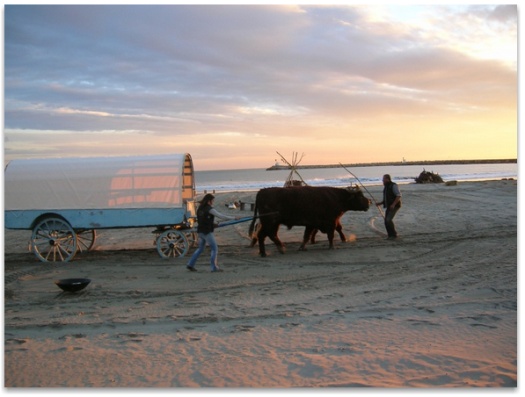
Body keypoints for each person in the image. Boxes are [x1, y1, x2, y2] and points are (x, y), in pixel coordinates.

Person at [187, 193, 239, 272]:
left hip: (200, 231)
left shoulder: (200, 208)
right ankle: (214, 267)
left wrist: (213, 224)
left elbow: (203, 219)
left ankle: (190, 264)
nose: (213, 202)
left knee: (200, 248)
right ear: (209, 201)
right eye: (212, 201)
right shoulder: (209, 209)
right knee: (214, 249)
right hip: (207, 232)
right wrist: (234, 218)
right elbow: (222, 216)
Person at [376, 174, 402, 239]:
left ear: (387, 179)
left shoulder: (393, 185)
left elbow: (398, 195)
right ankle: (390, 235)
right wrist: (380, 203)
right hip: (389, 206)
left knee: (388, 220)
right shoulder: (386, 187)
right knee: (386, 221)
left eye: (383, 179)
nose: (382, 180)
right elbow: (386, 198)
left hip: (395, 206)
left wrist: (393, 204)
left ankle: (394, 234)